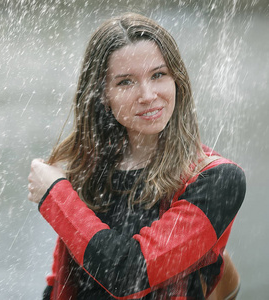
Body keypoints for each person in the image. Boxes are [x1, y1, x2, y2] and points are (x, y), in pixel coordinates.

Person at [27, 12, 245, 300]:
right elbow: (64, 279)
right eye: (126, 82)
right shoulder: (88, 169)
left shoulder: (217, 179)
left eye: (158, 75)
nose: (147, 95)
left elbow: (131, 274)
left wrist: (54, 195)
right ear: (102, 93)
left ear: (176, 79)